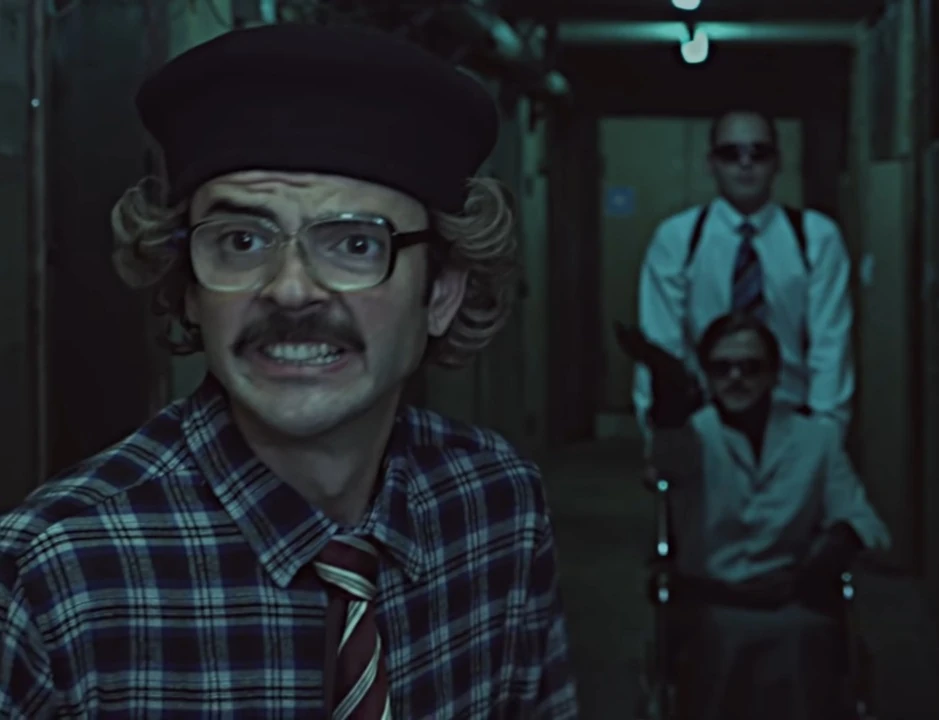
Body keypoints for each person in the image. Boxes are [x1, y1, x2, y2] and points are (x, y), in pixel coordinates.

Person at [0, 24, 578, 718]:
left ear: (442, 292)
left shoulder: (497, 506)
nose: (291, 290)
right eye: (242, 241)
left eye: (355, 244)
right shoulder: (54, 575)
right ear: (189, 287)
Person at [649, 312, 889, 720]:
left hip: (791, 597)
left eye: (751, 367)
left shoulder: (816, 439)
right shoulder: (692, 437)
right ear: (707, 375)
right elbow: (668, 455)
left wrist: (837, 542)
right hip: (714, 598)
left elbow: (866, 521)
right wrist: (668, 391)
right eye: (722, 368)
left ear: (775, 374)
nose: (736, 378)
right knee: (716, 643)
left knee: (806, 642)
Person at [633, 109, 854, 440]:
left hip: (792, 416)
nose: (745, 163)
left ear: (778, 162)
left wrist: (826, 434)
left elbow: (831, 343)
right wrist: (661, 431)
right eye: (731, 153)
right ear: (711, 163)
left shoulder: (816, 237)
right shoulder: (678, 238)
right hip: (704, 420)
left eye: (758, 152)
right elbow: (661, 343)